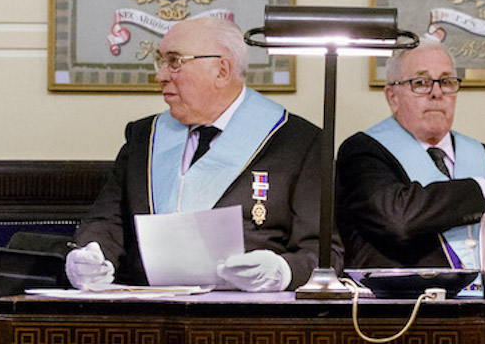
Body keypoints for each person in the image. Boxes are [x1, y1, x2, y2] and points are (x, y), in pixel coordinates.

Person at [66, 17, 343, 292]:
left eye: (174, 61)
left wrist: (283, 272)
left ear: (222, 70)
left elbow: (323, 251)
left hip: (249, 310)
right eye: (160, 61)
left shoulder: (298, 142)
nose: (160, 75)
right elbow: (106, 221)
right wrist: (90, 256)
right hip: (148, 306)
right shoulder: (143, 137)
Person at [336, 41, 485, 272]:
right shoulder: (362, 153)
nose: (437, 93)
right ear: (392, 97)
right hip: (400, 293)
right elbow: (398, 219)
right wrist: (483, 189)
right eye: (421, 83)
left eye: (446, 82)